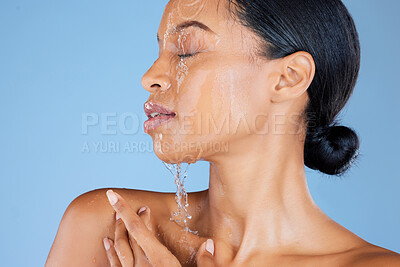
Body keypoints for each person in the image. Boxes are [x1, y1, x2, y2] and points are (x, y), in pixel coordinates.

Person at [46, 0, 400, 266]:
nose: (150, 76)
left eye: (186, 50)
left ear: (288, 77)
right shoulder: (107, 225)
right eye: (159, 50)